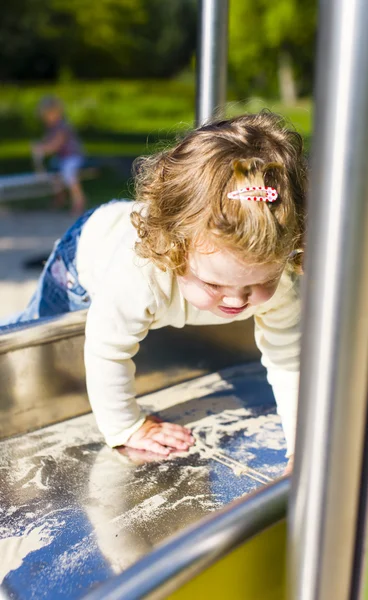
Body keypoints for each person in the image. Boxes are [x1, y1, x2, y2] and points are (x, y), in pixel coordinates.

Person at [1, 112, 306, 474]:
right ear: (174, 251)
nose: (237, 300)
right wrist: (128, 427)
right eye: (215, 285)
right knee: (32, 345)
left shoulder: (280, 274)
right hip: (81, 264)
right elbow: (106, 348)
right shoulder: (139, 275)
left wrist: (301, 448)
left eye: (257, 284)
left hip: (139, 282)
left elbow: (289, 358)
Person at [33, 96, 87, 214]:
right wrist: (41, 144)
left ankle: (79, 200)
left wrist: (42, 148)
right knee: (54, 172)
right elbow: (47, 140)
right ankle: (60, 197)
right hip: (63, 158)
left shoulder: (62, 127)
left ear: (56, 112)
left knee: (69, 174)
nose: (46, 118)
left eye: (48, 115)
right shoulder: (52, 128)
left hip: (73, 156)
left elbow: (55, 145)